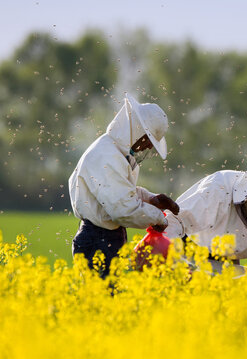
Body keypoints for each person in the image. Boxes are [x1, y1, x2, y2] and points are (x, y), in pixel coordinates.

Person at [69, 93, 179, 278]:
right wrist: (159, 219)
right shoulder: (107, 155)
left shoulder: (114, 152)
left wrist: (150, 199)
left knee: (111, 301)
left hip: (107, 238)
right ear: (138, 131)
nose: (148, 148)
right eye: (148, 140)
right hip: (98, 241)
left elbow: (119, 192)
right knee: (103, 301)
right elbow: (122, 208)